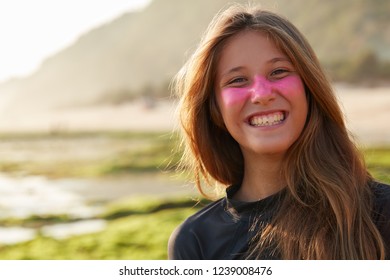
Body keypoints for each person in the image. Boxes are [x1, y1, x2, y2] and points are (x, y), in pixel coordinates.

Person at [168, 4, 390, 260]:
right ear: (215, 108)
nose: (262, 94)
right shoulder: (195, 242)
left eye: (279, 72)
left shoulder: (380, 214)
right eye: (237, 80)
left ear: (309, 89)